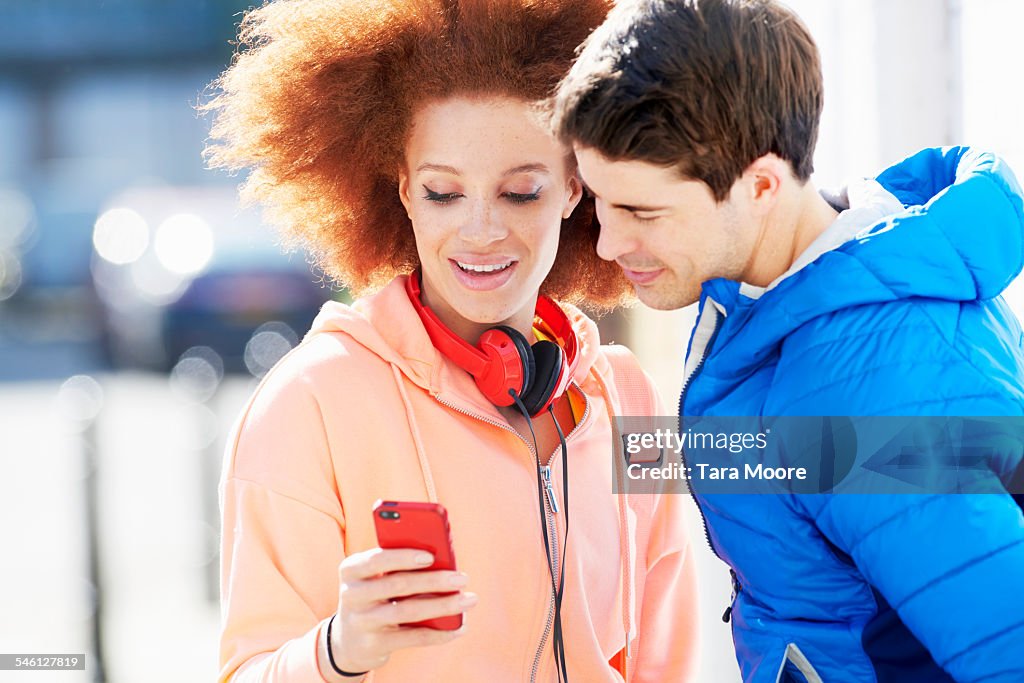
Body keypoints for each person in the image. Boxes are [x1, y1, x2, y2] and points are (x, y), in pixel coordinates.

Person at [203, 1, 700, 681]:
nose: (481, 230)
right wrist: (336, 650)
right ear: (403, 190)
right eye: (443, 192)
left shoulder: (628, 400)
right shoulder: (309, 403)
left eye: (520, 191)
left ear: (572, 188)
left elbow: (664, 662)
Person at [550, 0, 1024, 681]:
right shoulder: (793, 291)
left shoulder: (874, 381)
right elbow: (806, 463)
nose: (608, 242)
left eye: (641, 211)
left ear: (761, 184)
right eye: (598, 200)